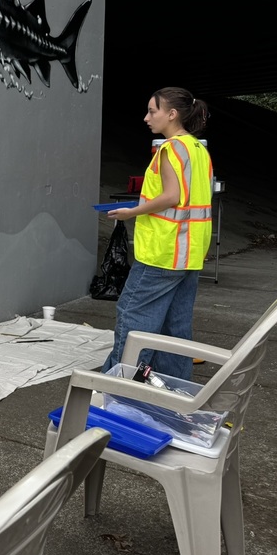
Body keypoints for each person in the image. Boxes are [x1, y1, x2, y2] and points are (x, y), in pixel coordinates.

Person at [101, 87, 213, 380]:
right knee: (174, 327)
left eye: (153, 111)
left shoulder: (169, 149)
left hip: (162, 251)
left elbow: (172, 197)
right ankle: (173, 391)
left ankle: (120, 389)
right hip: (189, 252)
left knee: (133, 317)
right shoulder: (198, 149)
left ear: (172, 115)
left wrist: (130, 212)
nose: (146, 117)